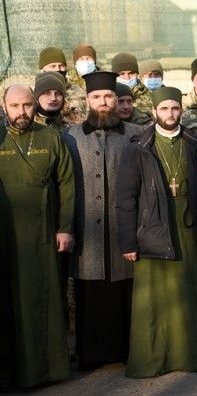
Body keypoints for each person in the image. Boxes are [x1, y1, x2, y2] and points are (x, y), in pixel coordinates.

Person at [117, 86, 197, 378]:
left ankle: (188, 356)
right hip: (152, 226)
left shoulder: (196, 142)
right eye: (164, 109)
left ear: (181, 110)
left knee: (187, 292)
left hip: (186, 224)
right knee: (152, 299)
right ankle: (152, 360)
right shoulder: (138, 146)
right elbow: (125, 197)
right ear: (155, 111)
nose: (170, 114)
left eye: (175, 108)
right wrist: (128, 241)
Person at [63, 71, 141, 369]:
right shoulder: (70, 136)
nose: (103, 102)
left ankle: (126, 351)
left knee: (125, 291)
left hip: (124, 228)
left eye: (108, 96)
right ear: (87, 101)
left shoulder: (135, 133)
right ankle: (92, 354)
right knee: (90, 292)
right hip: (87, 230)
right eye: (96, 97)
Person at [0, 84, 74, 389]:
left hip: (44, 231)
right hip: (6, 232)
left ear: (35, 105)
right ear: (4, 107)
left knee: (44, 296)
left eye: (28, 105)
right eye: (15, 106)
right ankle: (10, 372)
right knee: (10, 300)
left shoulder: (51, 136)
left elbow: (67, 182)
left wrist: (65, 227)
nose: (22, 112)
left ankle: (49, 368)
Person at [37, 46, 87, 125]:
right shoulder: (35, 93)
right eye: (53, 66)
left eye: (61, 65)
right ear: (42, 69)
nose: (58, 69)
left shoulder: (79, 92)